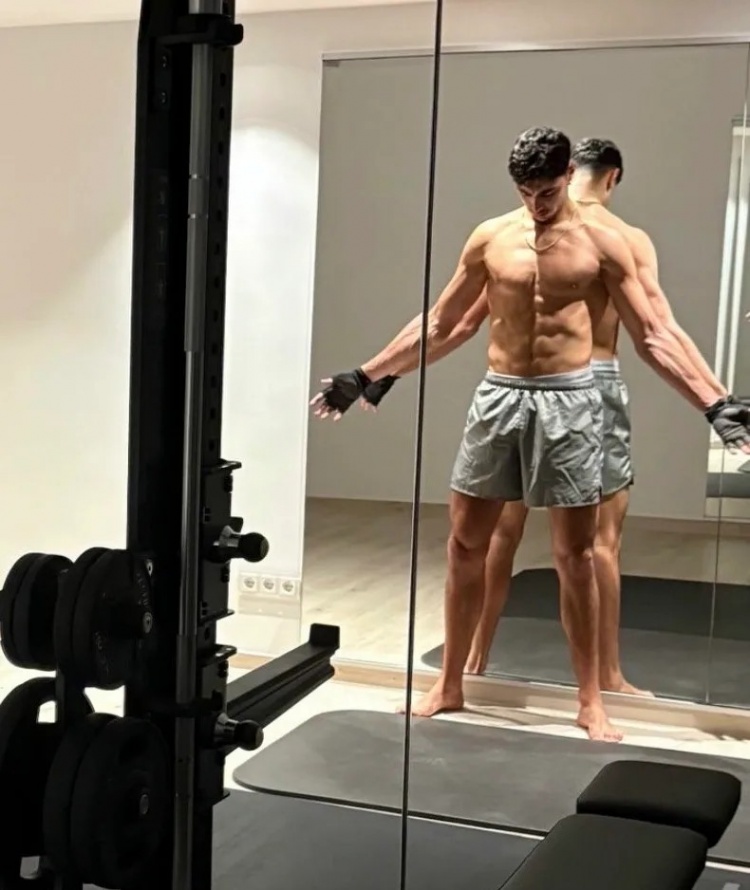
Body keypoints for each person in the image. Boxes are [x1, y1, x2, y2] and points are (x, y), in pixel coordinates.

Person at [311, 126, 750, 742]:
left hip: (571, 402)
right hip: (498, 398)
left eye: (546, 191)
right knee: (465, 544)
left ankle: (590, 700)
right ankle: (450, 683)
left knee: (576, 556)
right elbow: (442, 322)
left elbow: (653, 333)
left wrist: (714, 403)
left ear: (568, 175)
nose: (536, 205)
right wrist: (368, 373)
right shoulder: (492, 237)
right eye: (525, 192)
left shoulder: (603, 244)